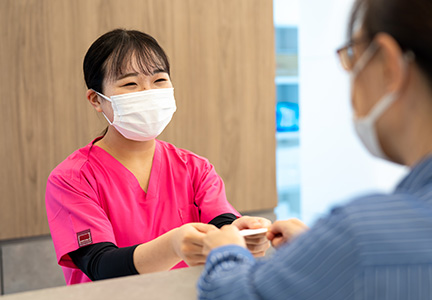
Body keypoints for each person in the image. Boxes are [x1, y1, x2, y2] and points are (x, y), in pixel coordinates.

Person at [197, 0, 432, 298]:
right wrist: (322, 251)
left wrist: (225, 253)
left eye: (353, 55)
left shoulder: (362, 236)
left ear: (390, 65)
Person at [45, 29, 271, 285]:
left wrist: (245, 232)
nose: (147, 92)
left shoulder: (195, 168)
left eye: (159, 80)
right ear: (96, 99)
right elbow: (100, 265)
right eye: (130, 83)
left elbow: (222, 223)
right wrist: (172, 245)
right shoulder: (72, 179)